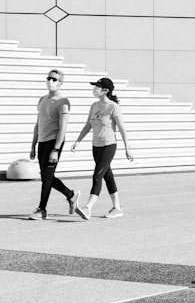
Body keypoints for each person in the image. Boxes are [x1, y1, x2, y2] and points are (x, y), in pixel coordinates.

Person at [71, 78, 133, 219]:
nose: (95, 89)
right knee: (107, 175)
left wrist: (127, 148)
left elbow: (122, 128)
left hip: (108, 145)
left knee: (97, 176)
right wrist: (78, 141)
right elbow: (88, 125)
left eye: (97, 87)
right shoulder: (94, 106)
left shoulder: (113, 107)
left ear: (105, 90)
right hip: (96, 146)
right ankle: (117, 207)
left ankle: (88, 208)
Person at [27, 69, 80, 220]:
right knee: (46, 176)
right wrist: (33, 145)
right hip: (42, 142)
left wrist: (56, 149)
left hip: (54, 142)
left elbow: (63, 128)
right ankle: (71, 195)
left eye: (55, 79)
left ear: (61, 83)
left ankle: (42, 209)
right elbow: (38, 124)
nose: (51, 81)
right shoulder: (42, 99)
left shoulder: (63, 102)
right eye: (49, 78)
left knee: (47, 177)